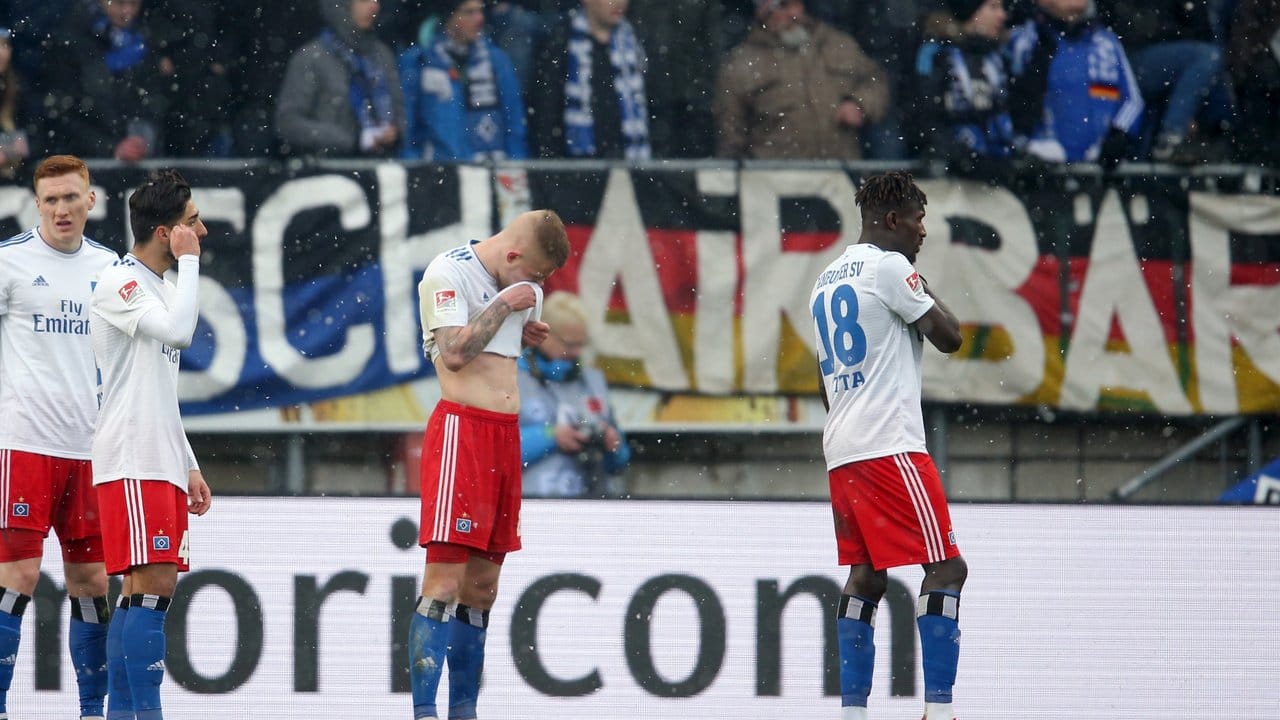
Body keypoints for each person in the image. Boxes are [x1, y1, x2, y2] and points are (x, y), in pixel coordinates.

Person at [809, 172, 966, 720]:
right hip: (890, 445)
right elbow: (950, 338)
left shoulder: (825, 279)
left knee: (866, 578)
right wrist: (917, 284)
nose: (924, 231)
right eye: (918, 219)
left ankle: (853, 712)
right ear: (893, 220)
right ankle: (939, 713)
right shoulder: (891, 267)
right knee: (947, 570)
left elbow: (821, 378)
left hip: (843, 448)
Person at [409, 210, 570, 720]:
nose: (538, 286)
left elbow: (495, 348)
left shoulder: (522, 287)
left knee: (483, 587)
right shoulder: (447, 272)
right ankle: (423, 712)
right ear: (514, 254)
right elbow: (455, 353)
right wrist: (504, 305)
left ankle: (464, 709)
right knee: (444, 583)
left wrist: (520, 332)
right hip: (463, 431)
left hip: (505, 439)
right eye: (536, 274)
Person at [89, 169, 213, 720]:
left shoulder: (158, 288)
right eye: (191, 223)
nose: (202, 232)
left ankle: (126, 715)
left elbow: (160, 390)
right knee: (151, 590)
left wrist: (187, 463)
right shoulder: (123, 282)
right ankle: (144, 714)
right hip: (132, 456)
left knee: (141, 593)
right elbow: (181, 332)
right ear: (165, 232)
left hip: (158, 458)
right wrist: (190, 264)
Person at [0, 155, 117, 720]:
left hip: (91, 450)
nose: (61, 209)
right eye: (50, 200)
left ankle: (92, 711)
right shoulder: (10, 262)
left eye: (71, 197)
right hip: (23, 443)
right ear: (36, 204)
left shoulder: (110, 267)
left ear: (90, 200)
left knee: (92, 583)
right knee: (16, 577)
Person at [715, 0, 889, 160]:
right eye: (779, 6)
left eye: (793, 4)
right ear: (762, 11)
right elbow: (731, 133)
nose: (790, 14)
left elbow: (876, 81)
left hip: (841, 174)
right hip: (774, 181)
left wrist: (860, 103)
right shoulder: (741, 63)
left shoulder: (837, 43)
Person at [517, 291, 630, 498]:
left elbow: (620, 462)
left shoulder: (593, 381)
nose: (577, 352)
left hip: (591, 507)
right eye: (570, 344)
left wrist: (613, 445)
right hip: (528, 507)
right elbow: (493, 454)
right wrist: (552, 436)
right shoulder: (510, 377)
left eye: (582, 344)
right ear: (543, 334)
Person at [1006, 0, 1144, 166]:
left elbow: (1133, 101)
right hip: (1042, 171)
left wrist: (1119, 134)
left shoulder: (1107, 42)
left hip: (1098, 170)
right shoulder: (1023, 41)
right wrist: (1027, 145)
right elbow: (1005, 101)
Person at [398, 0, 529, 161]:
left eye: (480, 11)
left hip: (491, 173)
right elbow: (407, 127)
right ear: (450, 16)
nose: (479, 18)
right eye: (469, 12)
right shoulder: (419, 62)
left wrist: (515, 167)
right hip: (439, 174)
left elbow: (514, 125)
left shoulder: (497, 61)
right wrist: (413, 169)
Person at [276, 0, 405, 157]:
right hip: (327, 173)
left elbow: (400, 111)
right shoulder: (311, 58)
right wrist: (352, 140)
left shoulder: (383, 56)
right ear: (341, 6)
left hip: (382, 169)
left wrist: (394, 132)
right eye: (364, 0)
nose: (374, 6)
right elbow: (288, 123)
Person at [913, 0, 1025, 179]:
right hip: (950, 184)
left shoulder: (1003, 56)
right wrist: (959, 156)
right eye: (993, 7)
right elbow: (924, 116)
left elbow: (1017, 112)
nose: (1002, 15)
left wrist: (1023, 154)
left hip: (999, 179)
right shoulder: (936, 54)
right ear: (971, 13)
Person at [527, 0, 652, 160]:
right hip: (577, 168)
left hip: (632, 166)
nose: (619, 3)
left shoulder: (636, 42)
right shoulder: (560, 42)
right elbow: (546, 114)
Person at [0, 27, 32, 178]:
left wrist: (8, 151)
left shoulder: (18, 90)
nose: (1, 53)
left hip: (15, 181)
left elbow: (36, 135)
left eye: (5, 45)